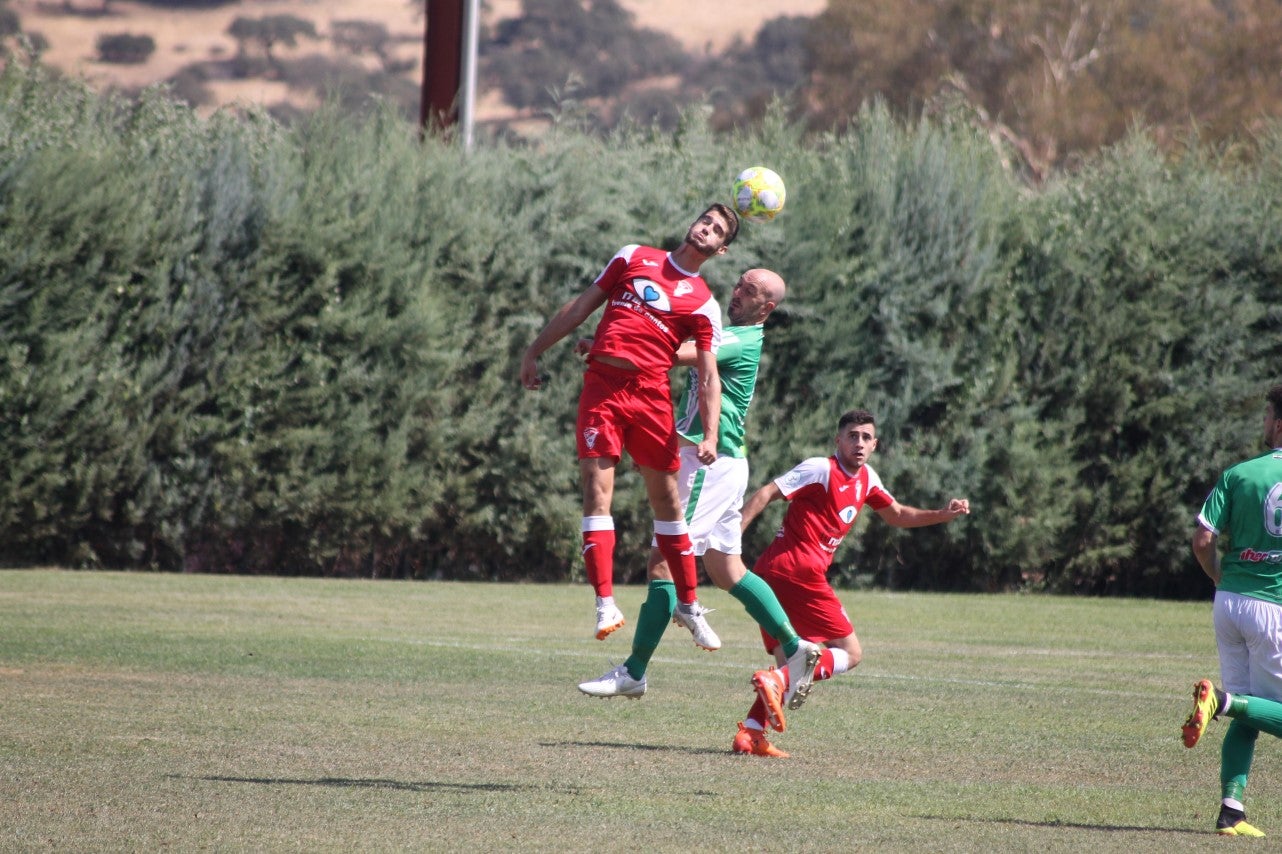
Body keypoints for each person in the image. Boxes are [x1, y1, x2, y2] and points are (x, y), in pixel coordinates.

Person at [576, 269, 821, 703]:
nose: (738, 293)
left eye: (751, 291)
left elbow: (670, 355)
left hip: (709, 461)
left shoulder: (740, 340)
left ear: (768, 308)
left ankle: (634, 671)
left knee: (663, 561)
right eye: (741, 284)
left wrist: (607, 349)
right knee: (727, 570)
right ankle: (795, 647)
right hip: (722, 461)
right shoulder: (731, 333)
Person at [520, 204, 735, 643]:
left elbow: (709, 373)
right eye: (705, 221)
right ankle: (604, 605)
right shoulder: (634, 256)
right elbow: (581, 306)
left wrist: (711, 432)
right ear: (693, 224)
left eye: (716, 231)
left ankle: (690, 605)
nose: (706, 230)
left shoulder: (705, 304)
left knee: (668, 506)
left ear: (721, 249)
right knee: (596, 492)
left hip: (651, 398)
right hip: (603, 389)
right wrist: (533, 351)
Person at [732, 408, 970, 757]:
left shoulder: (867, 479)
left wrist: (943, 514)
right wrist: (732, 536)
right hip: (798, 570)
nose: (859, 443)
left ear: (875, 444)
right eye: (852, 436)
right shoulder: (820, 468)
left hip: (776, 572)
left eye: (866, 437)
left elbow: (898, 514)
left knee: (793, 662)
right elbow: (768, 492)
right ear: (838, 440)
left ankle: (750, 734)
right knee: (850, 652)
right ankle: (779, 681)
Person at [1181, 383, 1282, 838]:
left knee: (1252, 712)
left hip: (1230, 603)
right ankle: (1221, 700)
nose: (1262, 423)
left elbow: (1203, 540)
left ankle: (1231, 813)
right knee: (1245, 705)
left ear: (1279, 425)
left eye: (1265, 416)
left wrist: (1220, 577)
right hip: (1273, 609)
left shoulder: (1239, 474)